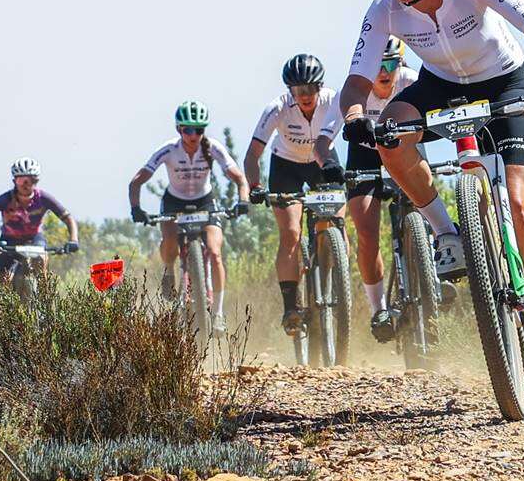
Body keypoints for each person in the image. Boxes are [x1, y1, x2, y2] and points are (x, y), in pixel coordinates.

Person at [338, 0, 524, 368]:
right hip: (442, 85)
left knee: (519, 204)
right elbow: (356, 84)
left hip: (502, 81)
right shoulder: (383, 11)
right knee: (390, 134)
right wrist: (354, 117)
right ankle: (447, 233)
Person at [244, 53, 345, 334]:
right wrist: (254, 186)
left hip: (323, 162)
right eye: (298, 90)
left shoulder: (332, 99)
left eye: (311, 88)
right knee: (290, 233)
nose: (305, 95)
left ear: (320, 87)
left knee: (338, 217)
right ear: (290, 90)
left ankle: (338, 280)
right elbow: (252, 155)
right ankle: (290, 307)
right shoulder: (276, 108)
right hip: (285, 166)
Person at [129, 100, 249, 332]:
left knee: (215, 253)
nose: (194, 135)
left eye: (199, 130)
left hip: (205, 200)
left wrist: (242, 201)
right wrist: (136, 208)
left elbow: (239, 178)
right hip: (174, 202)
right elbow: (137, 181)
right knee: (170, 243)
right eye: (188, 130)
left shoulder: (212, 147)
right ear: (178, 129)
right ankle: (168, 269)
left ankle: (219, 313)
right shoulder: (169, 150)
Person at [345, 37, 419, 341]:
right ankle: (379, 310)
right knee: (367, 231)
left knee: (423, 204)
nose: (383, 71)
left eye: (390, 63)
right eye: (377, 64)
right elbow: (326, 134)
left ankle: (429, 269)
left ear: (400, 64)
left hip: (403, 148)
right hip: (365, 153)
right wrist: (326, 162)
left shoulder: (413, 81)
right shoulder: (355, 90)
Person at [0, 159, 80, 286]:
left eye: (31, 180)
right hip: (9, 242)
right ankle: (5, 304)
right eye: (21, 180)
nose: (26, 184)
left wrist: (73, 240)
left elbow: (68, 218)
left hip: (34, 239)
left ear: (37, 181)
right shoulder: (4, 200)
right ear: (14, 181)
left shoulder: (43, 198)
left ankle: (44, 299)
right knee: (4, 283)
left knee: (41, 262)